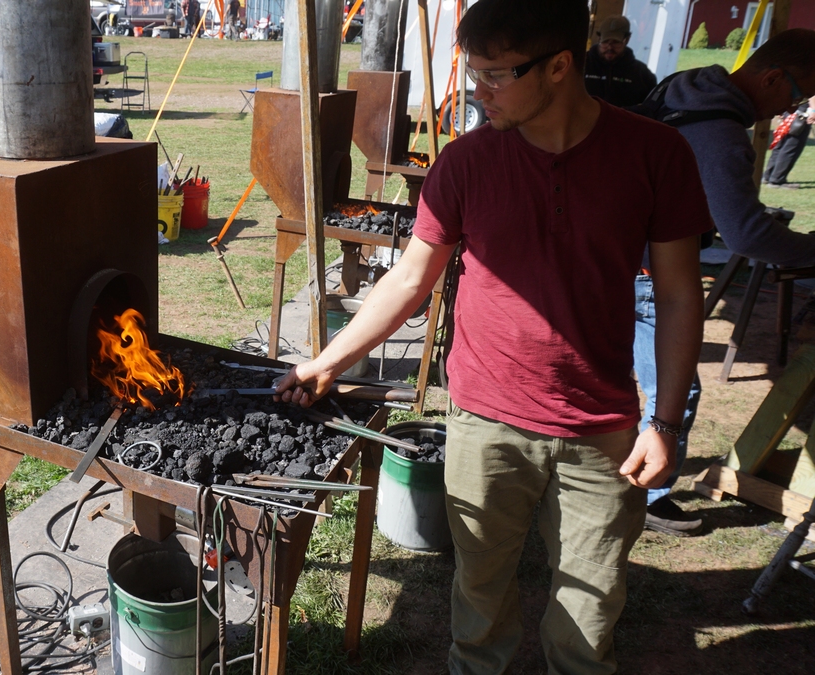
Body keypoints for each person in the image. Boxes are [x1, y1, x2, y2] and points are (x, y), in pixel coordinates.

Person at [273, 0, 710, 672]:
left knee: (588, 619)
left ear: (561, 65)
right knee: (478, 603)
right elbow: (408, 280)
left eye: (495, 76)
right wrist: (329, 361)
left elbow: (681, 295)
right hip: (483, 420)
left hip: (601, 428)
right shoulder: (466, 163)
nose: (477, 93)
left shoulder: (656, 155)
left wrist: (668, 421)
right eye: (472, 73)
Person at [631, 28, 815, 537]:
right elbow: (746, 232)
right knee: (671, 389)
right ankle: (648, 495)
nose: (788, 109)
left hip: (618, 256)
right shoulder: (719, 129)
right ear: (773, 76)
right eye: (796, 95)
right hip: (651, 273)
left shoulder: (686, 85)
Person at [584, 15, 657, 107]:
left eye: (616, 42)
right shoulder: (580, 65)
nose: (610, 47)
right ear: (599, 38)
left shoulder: (643, 75)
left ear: (627, 39)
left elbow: (651, 109)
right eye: (605, 42)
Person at [764, 96, 814, 188]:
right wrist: (814, 110)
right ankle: (777, 180)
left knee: (782, 144)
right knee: (792, 146)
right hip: (802, 112)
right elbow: (812, 94)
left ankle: (768, 176)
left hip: (791, 108)